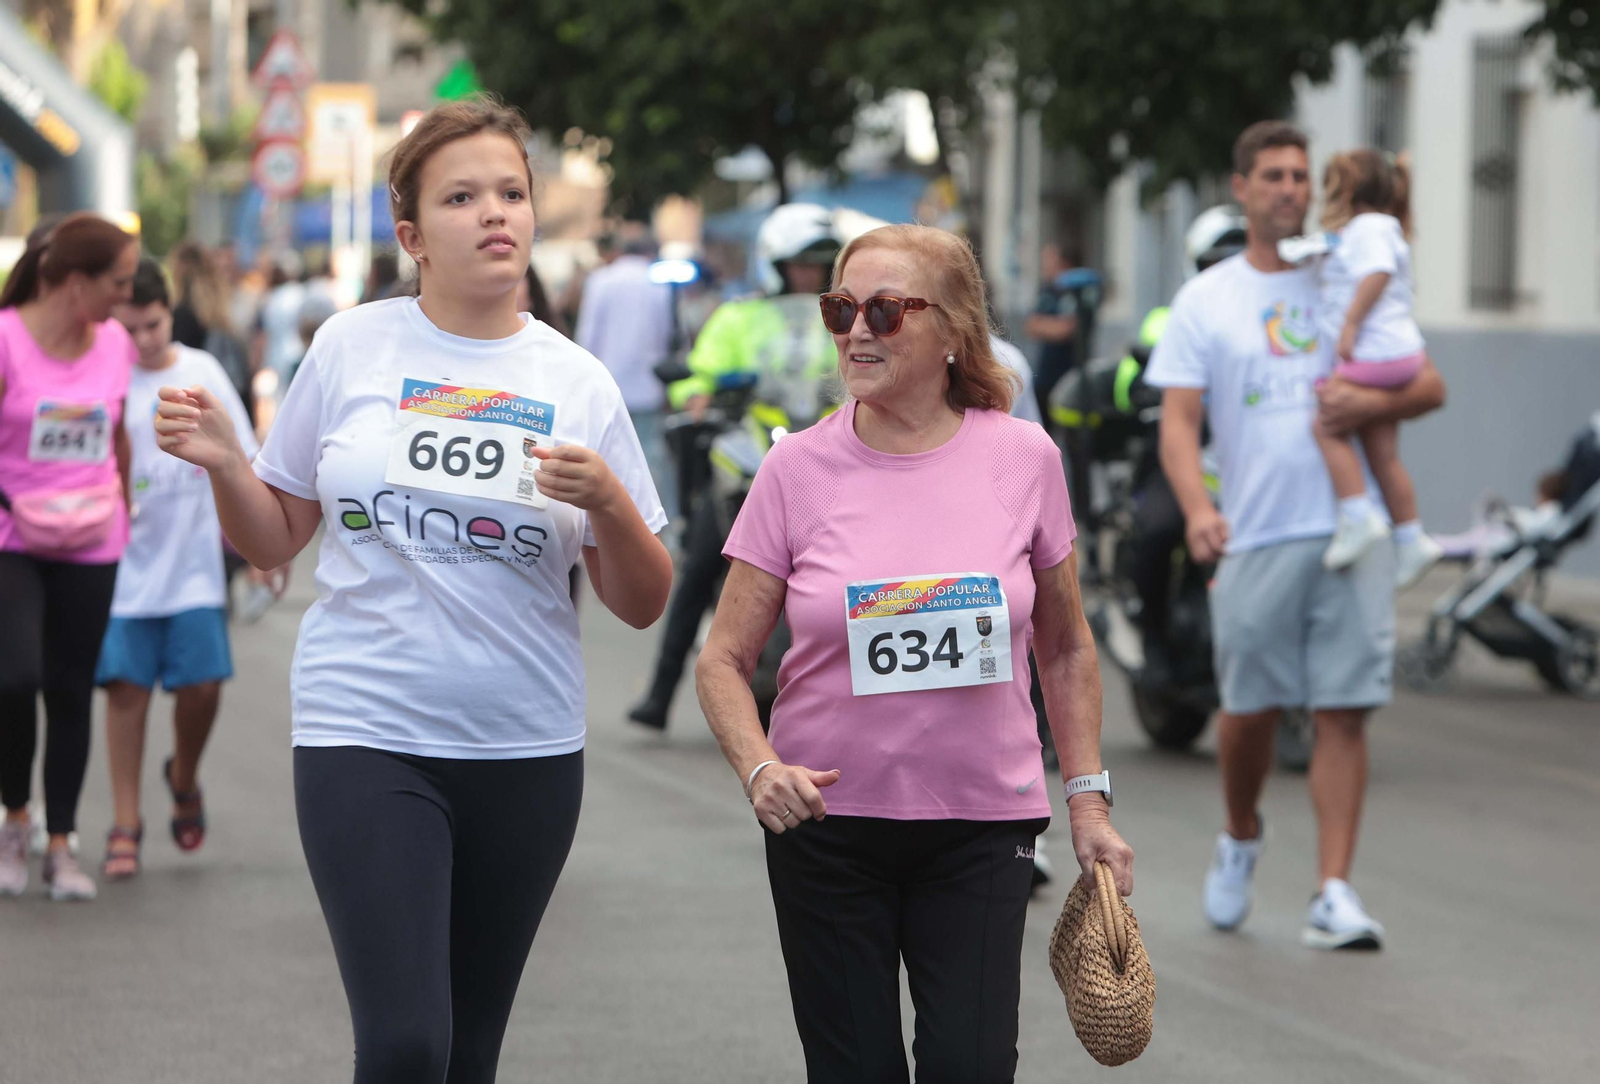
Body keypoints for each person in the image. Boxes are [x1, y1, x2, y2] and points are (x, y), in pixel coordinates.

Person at [153, 97, 671, 1082]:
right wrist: (224, 463)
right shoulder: (351, 347)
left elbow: (642, 601)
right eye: (462, 197)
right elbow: (276, 534)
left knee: (467, 1053)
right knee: (404, 1043)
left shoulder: (578, 381)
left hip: (524, 745)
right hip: (364, 726)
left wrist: (608, 500)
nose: (495, 213)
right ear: (411, 235)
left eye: (511, 193)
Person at [696, 223, 1133, 1081]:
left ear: (953, 329)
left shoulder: (1023, 458)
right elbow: (722, 660)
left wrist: (1089, 804)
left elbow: (1066, 646)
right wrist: (759, 769)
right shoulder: (795, 469)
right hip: (826, 826)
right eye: (841, 309)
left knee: (972, 1066)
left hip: (982, 826)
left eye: (886, 311)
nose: (857, 330)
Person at [1147, 121, 1447, 950]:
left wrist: (1372, 403)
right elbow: (1179, 424)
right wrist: (1198, 510)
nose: (1289, 189)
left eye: (1300, 176)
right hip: (1255, 532)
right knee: (1248, 711)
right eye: (1273, 175)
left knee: (1346, 710)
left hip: (1351, 530)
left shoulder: (1345, 271)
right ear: (1241, 188)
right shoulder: (1208, 298)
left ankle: (1333, 892)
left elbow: (1428, 384)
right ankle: (1241, 832)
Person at [626, 203, 841, 730]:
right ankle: (660, 692)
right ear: (777, 265)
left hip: (826, 458)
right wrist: (700, 393)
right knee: (700, 563)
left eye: (819, 263)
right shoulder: (739, 317)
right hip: (751, 453)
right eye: (801, 264)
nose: (809, 274)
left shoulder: (842, 316)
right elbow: (694, 376)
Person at [97, 257, 263, 879]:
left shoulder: (201, 372)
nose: (142, 340)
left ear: (170, 313)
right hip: (124, 568)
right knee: (126, 690)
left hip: (194, 566)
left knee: (202, 687)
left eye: (153, 325)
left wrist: (260, 552)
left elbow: (245, 456)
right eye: (129, 328)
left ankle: (184, 775)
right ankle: (125, 821)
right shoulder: (106, 376)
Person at [0, 213, 140, 902]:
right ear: (77, 281)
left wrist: (126, 506)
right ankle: (14, 820)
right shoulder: (6, 339)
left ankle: (61, 843)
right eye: (119, 282)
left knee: (70, 687)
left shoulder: (115, 343)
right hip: (12, 536)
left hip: (93, 537)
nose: (128, 296)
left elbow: (117, 433)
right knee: (15, 678)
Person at [1301, 149, 1443, 587]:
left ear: (1344, 191)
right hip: (1399, 357)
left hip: (1378, 357)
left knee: (1326, 423)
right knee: (1383, 455)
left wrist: (1350, 324)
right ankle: (1411, 539)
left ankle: (1357, 515)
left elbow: (1377, 273)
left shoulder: (1369, 229)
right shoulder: (1383, 227)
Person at [574, 233, 676, 512]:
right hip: (648, 384)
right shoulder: (657, 282)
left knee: (608, 455)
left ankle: (614, 514)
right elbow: (665, 333)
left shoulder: (601, 280)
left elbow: (588, 334)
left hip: (607, 383)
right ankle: (650, 517)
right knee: (649, 455)